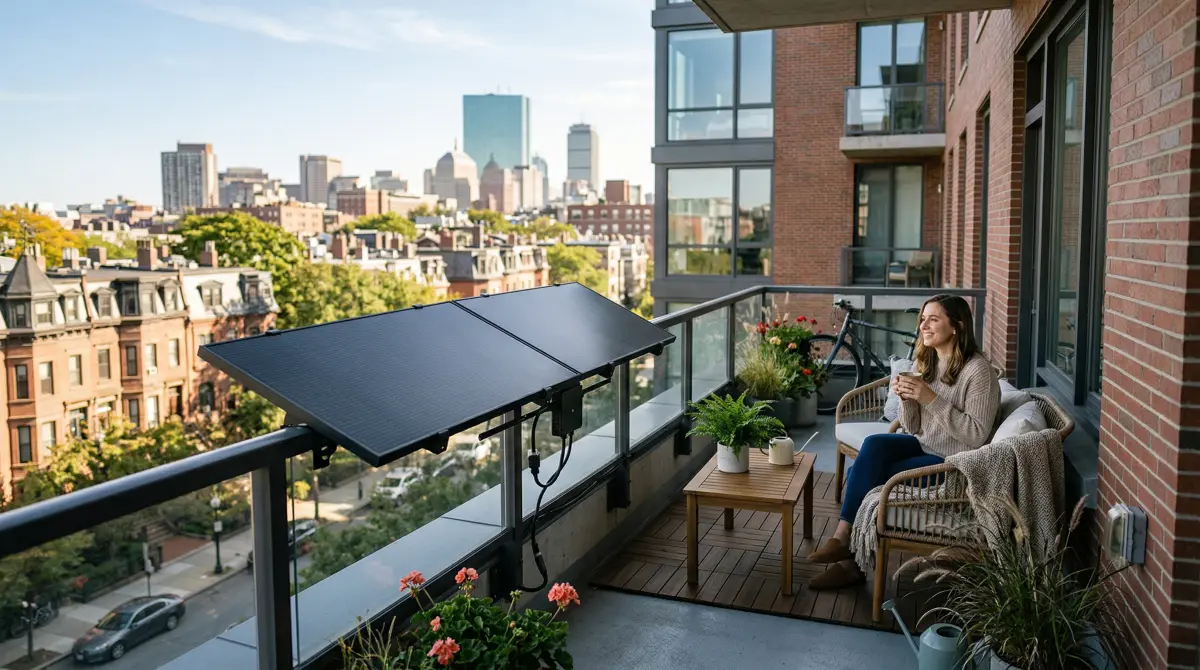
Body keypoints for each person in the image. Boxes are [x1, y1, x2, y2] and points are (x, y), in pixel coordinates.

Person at [805, 294, 1000, 590]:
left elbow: (976, 434)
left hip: (953, 462)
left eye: (933, 319)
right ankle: (842, 537)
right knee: (873, 445)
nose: (924, 325)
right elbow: (913, 427)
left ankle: (850, 565)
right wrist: (907, 399)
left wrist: (929, 398)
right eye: (922, 319)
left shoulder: (978, 371)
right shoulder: (932, 360)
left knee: (865, 473)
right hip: (924, 445)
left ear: (957, 326)